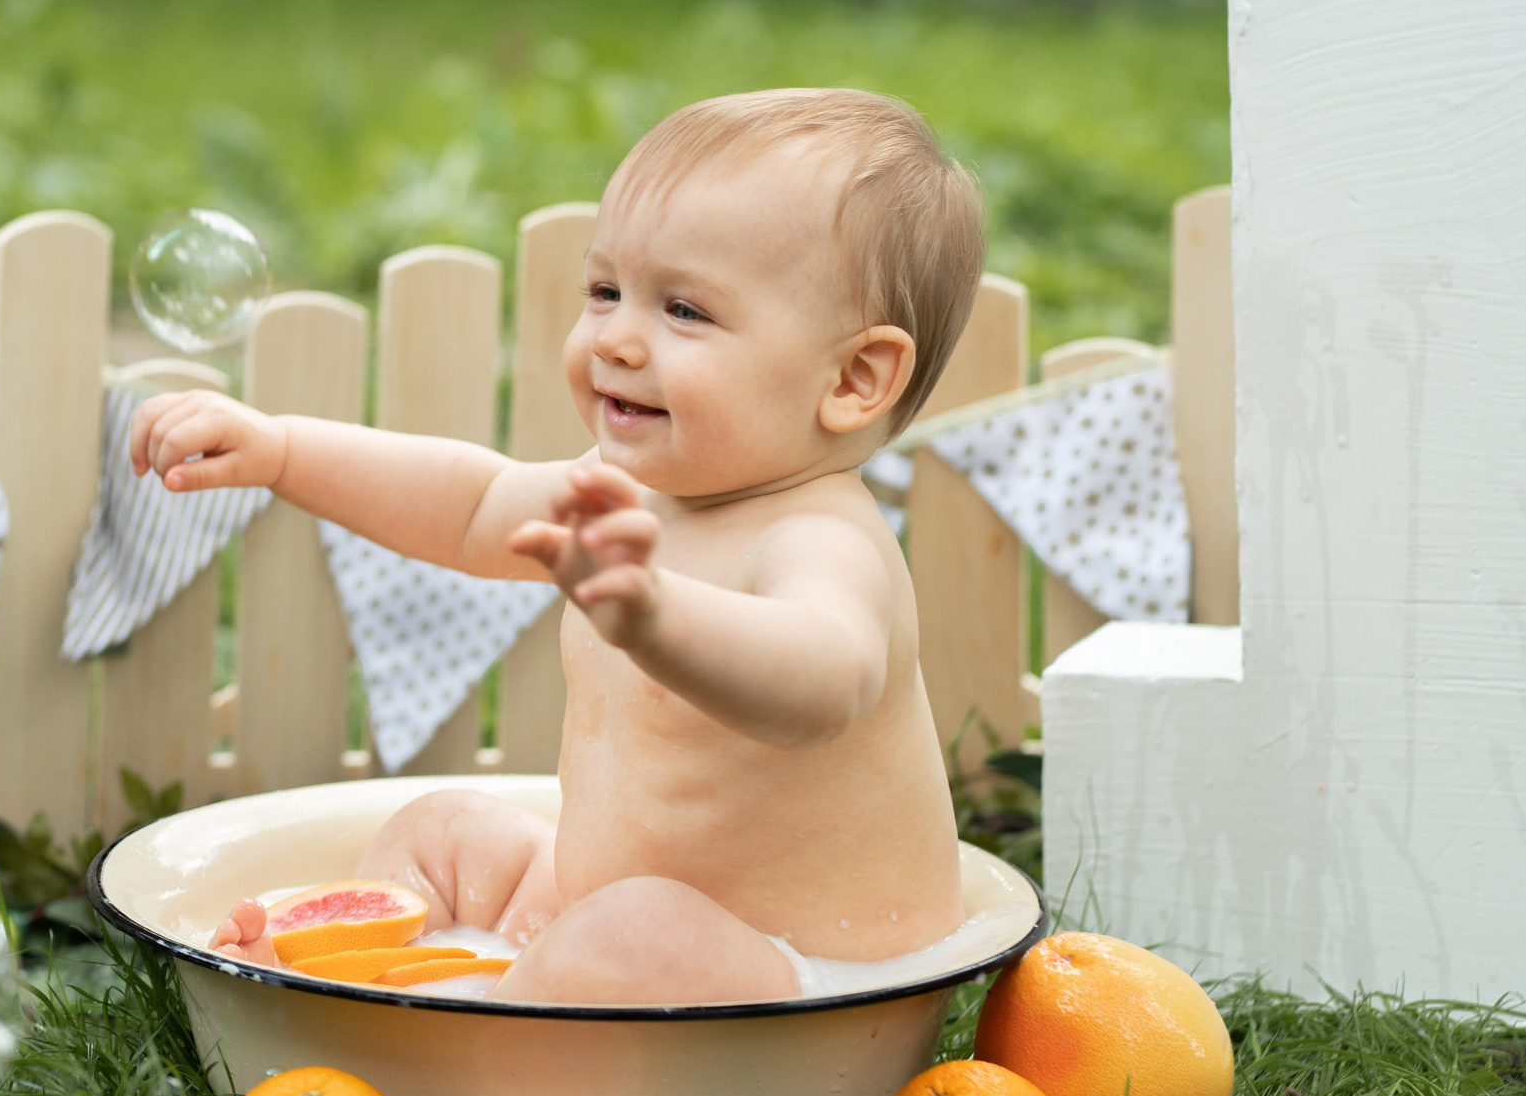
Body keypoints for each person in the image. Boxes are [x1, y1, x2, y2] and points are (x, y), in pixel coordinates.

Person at [130, 88, 985, 1004]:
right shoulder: (631, 491)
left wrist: (656, 614)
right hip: (602, 908)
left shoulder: (818, 539)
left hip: (802, 972)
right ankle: (347, 973)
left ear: (853, 378)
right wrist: (282, 450)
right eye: (606, 291)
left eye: (684, 310)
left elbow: (823, 682)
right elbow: (471, 505)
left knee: (628, 932)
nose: (616, 338)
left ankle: (460, 1026)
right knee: (442, 830)